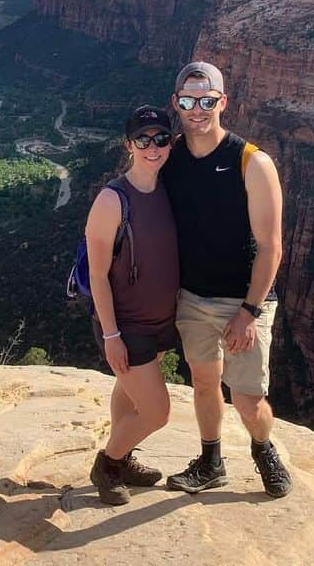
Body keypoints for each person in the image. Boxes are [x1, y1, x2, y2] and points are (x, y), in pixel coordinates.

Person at [160, 61, 293, 498]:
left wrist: (249, 312)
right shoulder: (169, 157)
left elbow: (272, 247)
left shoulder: (252, 162)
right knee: (203, 381)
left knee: (248, 398)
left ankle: (262, 448)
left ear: (223, 102)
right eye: (187, 101)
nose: (196, 110)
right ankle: (211, 461)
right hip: (192, 297)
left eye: (206, 100)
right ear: (176, 104)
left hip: (245, 301)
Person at [86, 105, 180, 506]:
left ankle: (123, 458)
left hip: (161, 321)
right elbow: (96, 276)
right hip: (125, 325)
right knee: (158, 412)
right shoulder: (112, 200)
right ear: (129, 145)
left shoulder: (168, 189)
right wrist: (111, 335)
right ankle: (108, 462)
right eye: (143, 139)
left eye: (161, 138)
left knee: (129, 392)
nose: (153, 146)